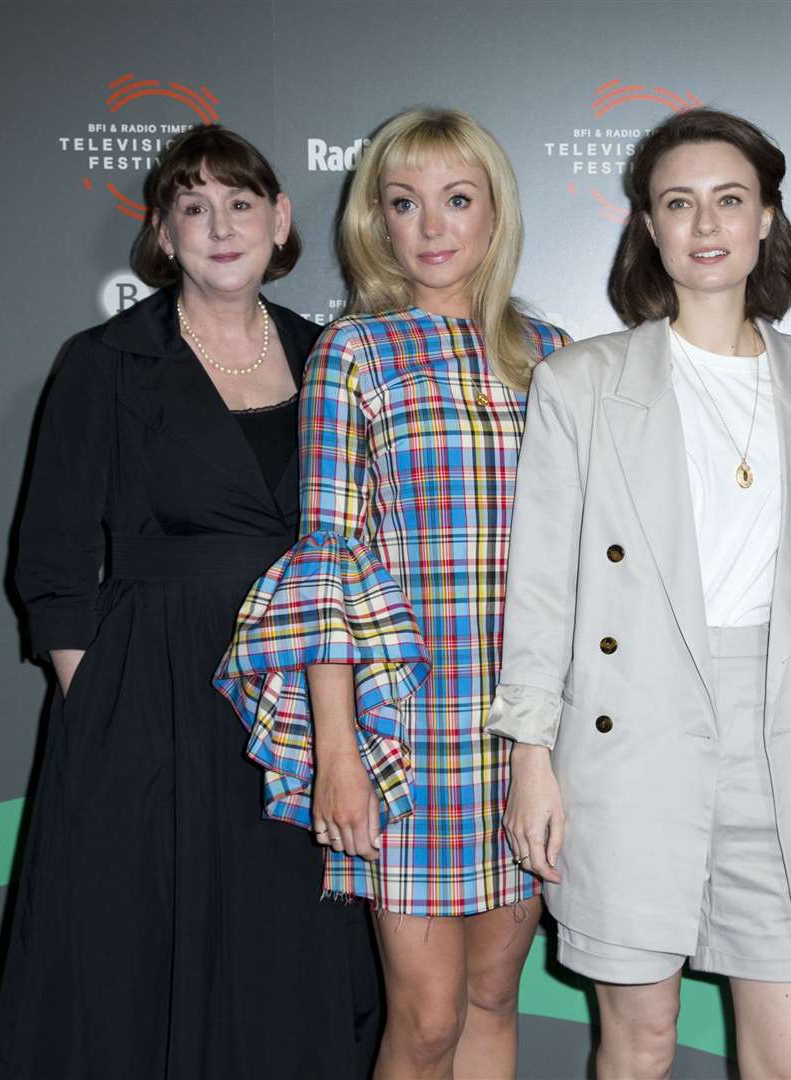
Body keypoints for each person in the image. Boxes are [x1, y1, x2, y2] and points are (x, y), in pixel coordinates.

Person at [0, 126, 379, 1078]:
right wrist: (106, 705)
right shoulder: (105, 361)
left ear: (281, 221)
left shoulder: (332, 356)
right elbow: (52, 560)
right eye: (193, 207)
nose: (220, 226)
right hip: (150, 689)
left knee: (287, 943)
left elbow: (361, 544)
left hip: (301, 690)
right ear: (162, 234)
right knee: (136, 944)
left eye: (241, 203)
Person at [490, 108, 791, 1080]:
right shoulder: (579, 383)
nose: (706, 225)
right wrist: (530, 757)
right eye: (679, 203)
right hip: (631, 736)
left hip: (786, 741)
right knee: (639, 1044)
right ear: (648, 228)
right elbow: (541, 586)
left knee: (789, 1062)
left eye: (729, 200)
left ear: (766, 220)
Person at [213, 109, 568, 1080]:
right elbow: (325, 560)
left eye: (456, 199)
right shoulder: (352, 354)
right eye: (404, 204)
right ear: (377, 221)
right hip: (406, 729)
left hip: (526, 727)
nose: (432, 226)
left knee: (497, 997)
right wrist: (337, 752)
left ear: (493, 213)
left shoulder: (552, 354)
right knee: (425, 1021)